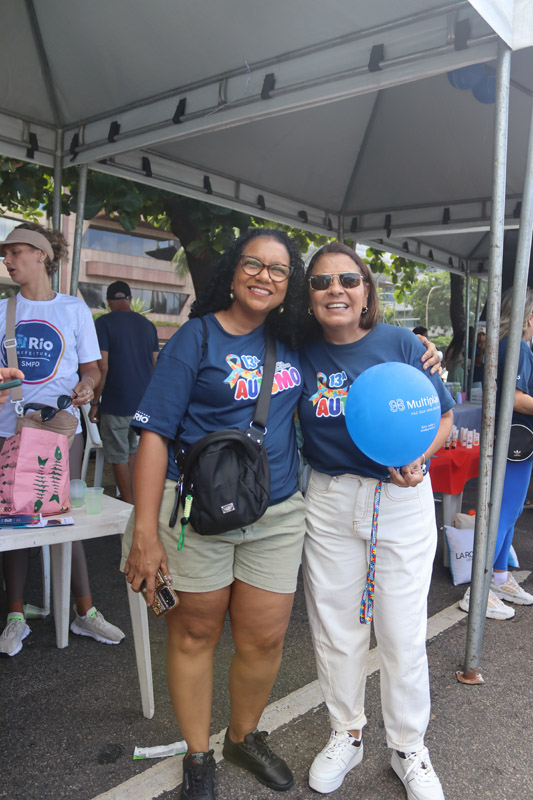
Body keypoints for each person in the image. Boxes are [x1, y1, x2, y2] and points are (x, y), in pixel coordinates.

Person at [122, 229, 441, 800]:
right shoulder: (203, 338)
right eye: (254, 265)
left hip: (284, 510)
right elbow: (153, 433)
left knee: (273, 638)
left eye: (279, 270)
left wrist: (422, 360)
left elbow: (414, 398)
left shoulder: (309, 340)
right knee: (203, 631)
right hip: (210, 511)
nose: (265, 277)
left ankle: (258, 738)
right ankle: (209, 753)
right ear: (234, 270)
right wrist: (144, 531)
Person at [298, 242, 454, 799]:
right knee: (337, 628)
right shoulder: (297, 350)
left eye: (347, 278)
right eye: (320, 282)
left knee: (402, 632)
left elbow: (443, 415)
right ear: (309, 297)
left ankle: (409, 746)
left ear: (366, 290)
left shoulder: (404, 343)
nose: (335, 289)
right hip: (331, 498)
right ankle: (347, 732)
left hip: (402, 497)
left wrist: (419, 458)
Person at [0, 222, 124, 657]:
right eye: (6, 254)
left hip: (61, 428)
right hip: (9, 427)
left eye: (17, 252)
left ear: (42, 256)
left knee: (64, 517)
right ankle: (15, 615)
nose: (9, 260)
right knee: (13, 520)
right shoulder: (2, 311)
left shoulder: (73, 310)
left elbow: (92, 367)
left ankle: (84, 611)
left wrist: (88, 385)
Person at [460, 288, 533, 619]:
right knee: (503, 512)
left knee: (510, 510)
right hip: (515, 441)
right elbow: (516, 398)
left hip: (513, 439)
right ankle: (479, 589)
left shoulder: (503, 344)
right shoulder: (516, 346)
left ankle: (499, 577)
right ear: (528, 317)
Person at [89, 280, 159, 504]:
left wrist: (96, 401)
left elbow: (103, 365)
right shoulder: (148, 326)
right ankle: (137, 503)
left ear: (109, 302)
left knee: (118, 455)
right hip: (143, 404)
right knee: (132, 451)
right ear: (129, 299)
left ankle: (129, 505)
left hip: (116, 402)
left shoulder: (103, 323)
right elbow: (157, 365)